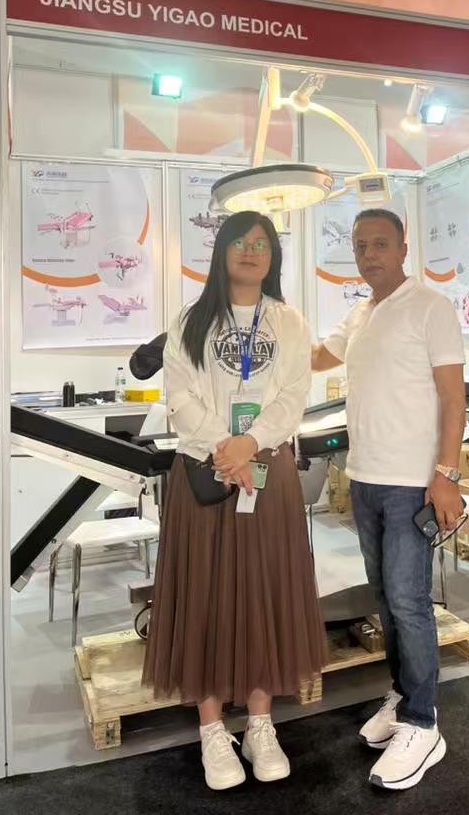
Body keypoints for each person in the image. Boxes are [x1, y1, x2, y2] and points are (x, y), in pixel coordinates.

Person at [143, 212, 326, 792]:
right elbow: (179, 397)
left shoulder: (288, 321)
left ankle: (260, 723)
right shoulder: (190, 320)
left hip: (268, 472)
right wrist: (226, 450)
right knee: (205, 592)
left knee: (264, 592)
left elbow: (293, 395)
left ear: (273, 257)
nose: (250, 251)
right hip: (206, 473)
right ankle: (211, 728)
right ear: (221, 251)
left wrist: (251, 443)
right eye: (240, 242)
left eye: (261, 244)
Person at [312, 209, 466, 792]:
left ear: (403, 248)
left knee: (408, 601)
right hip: (365, 478)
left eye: (380, 244)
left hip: (411, 482)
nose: (369, 254)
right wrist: (266, 329)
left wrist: (446, 474)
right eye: (360, 246)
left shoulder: (431, 307)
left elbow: (453, 398)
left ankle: (423, 724)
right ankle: (402, 695)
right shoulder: (360, 312)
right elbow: (316, 358)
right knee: (385, 599)